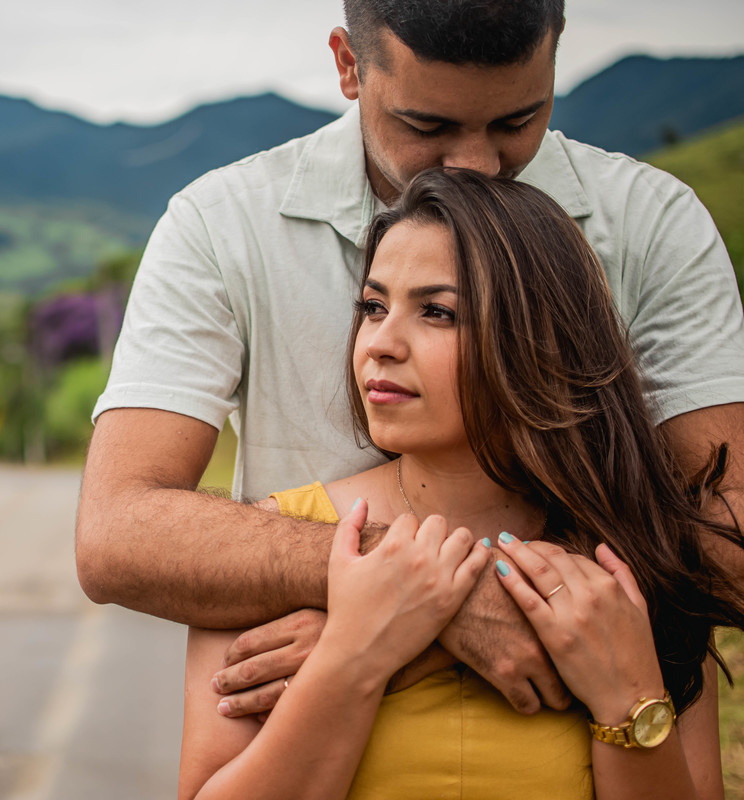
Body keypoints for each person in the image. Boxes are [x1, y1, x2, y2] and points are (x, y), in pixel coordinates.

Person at [76, 0, 744, 717]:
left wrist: (414, 617)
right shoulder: (221, 224)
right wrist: (437, 594)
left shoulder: (652, 224)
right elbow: (118, 532)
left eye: (519, 120)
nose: (478, 164)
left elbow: (733, 551)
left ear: (555, 51)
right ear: (348, 65)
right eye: (428, 126)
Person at [178, 168, 743, 799]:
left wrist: (629, 703)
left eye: (437, 312)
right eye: (372, 306)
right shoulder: (270, 550)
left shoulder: (634, 568)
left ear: (539, 341)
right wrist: (355, 658)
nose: (381, 344)